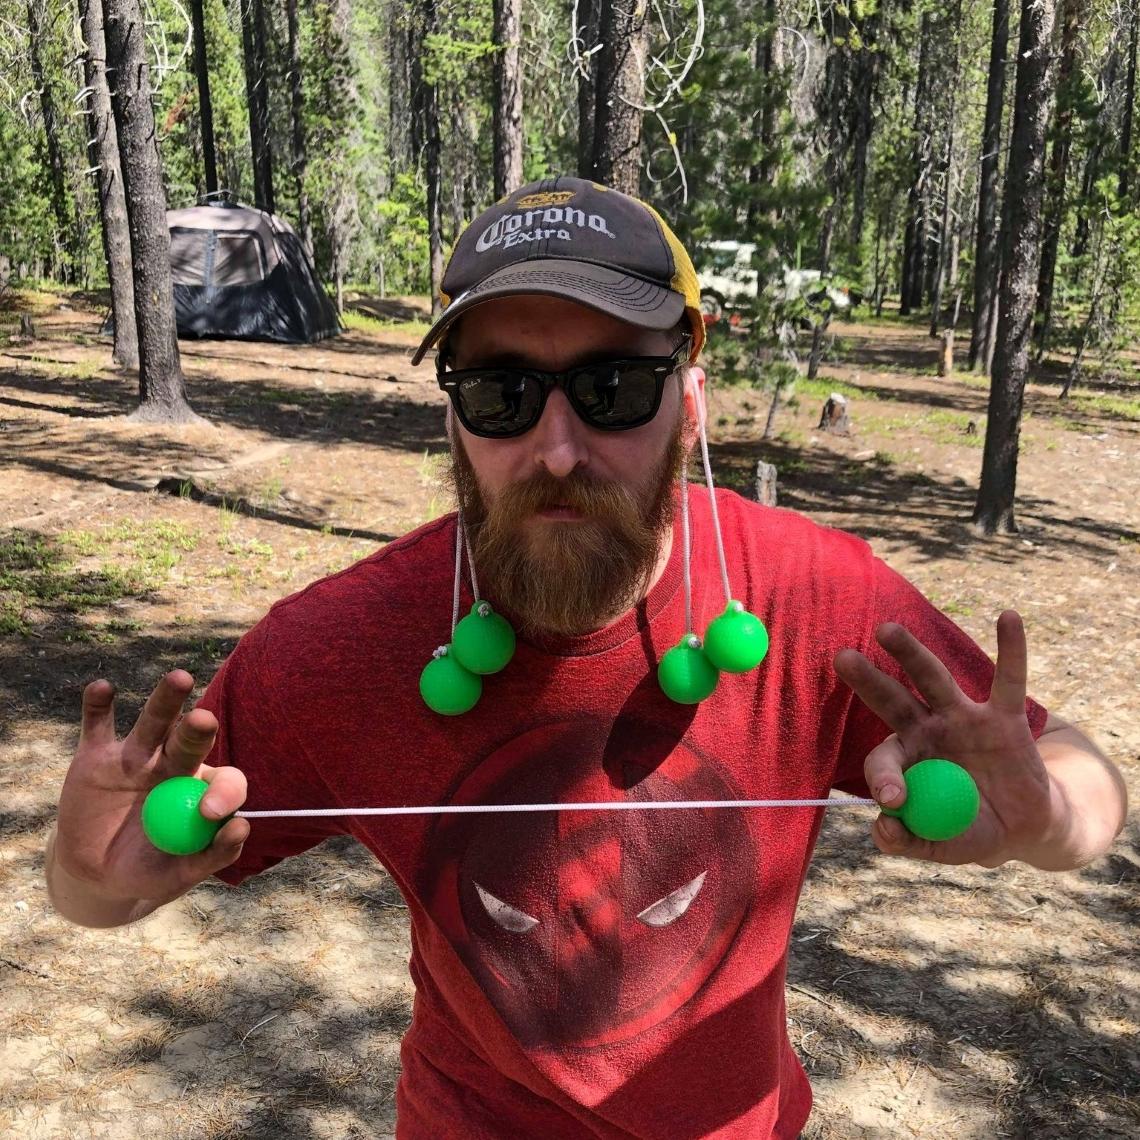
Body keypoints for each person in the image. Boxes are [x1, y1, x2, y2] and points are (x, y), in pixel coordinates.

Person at [46, 176, 1127, 1139]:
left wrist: (1042, 819)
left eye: (614, 390)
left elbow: (1080, 781)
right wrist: (93, 878)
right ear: (456, 420)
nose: (556, 449)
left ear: (689, 396)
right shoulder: (344, 648)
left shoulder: (810, 599)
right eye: (501, 395)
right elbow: (105, 893)